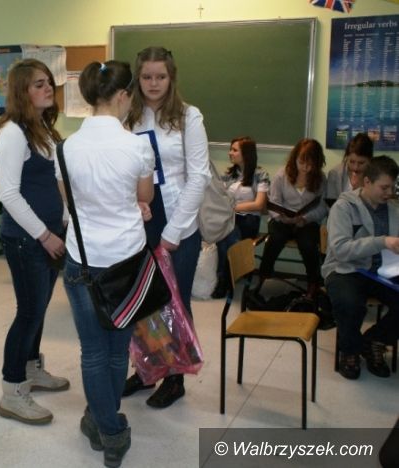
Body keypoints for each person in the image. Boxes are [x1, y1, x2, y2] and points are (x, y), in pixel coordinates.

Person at [61, 61, 154, 468]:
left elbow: (70, 203)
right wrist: (132, 206)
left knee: (93, 351)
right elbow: (145, 196)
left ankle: (100, 421)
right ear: (121, 96)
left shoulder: (65, 148)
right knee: (117, 350)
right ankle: (111, 430)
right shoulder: (137, 146)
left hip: (82, 260)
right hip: (126, 261)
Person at [122, 46, 211, 409]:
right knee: (142, 302)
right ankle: (147, 369)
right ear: (138, 78)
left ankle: (175, 379)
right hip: (140, 219)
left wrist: (173, 232)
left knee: (175, 303)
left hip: (178, 222)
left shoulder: (189, 116)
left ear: (171, 77)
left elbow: (199, 176)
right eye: (146, 77)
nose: (153, 83)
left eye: (160, 76)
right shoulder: (128, 116)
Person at [0, 59, 69, 426]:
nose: (48, 88)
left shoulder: (43, 129)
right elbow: (8, 194)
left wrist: (65, 222)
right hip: (27, 240)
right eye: (39, 84)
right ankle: (12, 391)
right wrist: (44, 234)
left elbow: (56, 181)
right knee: (28, 312)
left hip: (50, 234)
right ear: (22, 91)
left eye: (49, 82)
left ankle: (31, 368)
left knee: (38, 309)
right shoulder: (12, 133)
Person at [322, 156, 399, 380]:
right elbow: (340, 250)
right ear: (367, 182)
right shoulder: (344, 207)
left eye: (392, 187)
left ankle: (374, 341)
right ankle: (350, 352)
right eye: (384, 187)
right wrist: (382, 241)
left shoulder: (393, 209)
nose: (389, 193)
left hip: (382, 271)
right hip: (345, 269)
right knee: (350, 303)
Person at [258, 138, 328, 298]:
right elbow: (274, 202)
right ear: (294, 158)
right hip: (281, 219)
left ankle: (313, 283)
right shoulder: (282, 175)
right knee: (275, 239)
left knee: (308, 244)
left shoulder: (320, 178)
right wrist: (282, 217)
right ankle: (264, 275)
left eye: (310, 164)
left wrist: (306, 218)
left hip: (306, 222)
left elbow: (322, 207)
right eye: (301, 162)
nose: (305, 167)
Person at [211, 136, 270, 298]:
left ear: (246, 153)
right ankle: (226, 277)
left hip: (249, 220)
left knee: (229, 235)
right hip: (229, 218)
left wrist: (233, 207)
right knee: (225, 236)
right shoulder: (228, 175)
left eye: (234, 150)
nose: (230, 153)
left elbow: (259, 205)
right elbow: (220, 198)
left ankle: (224, 280)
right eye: (230, 149)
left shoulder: (260, 174)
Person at [325, 132, 374, 203]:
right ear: (347, 157)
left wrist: (359, 188)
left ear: (369, 160)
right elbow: (331, 204)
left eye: (361, 163)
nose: (355, 167)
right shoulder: (335, 174)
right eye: (352, 162)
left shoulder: (376, 175)